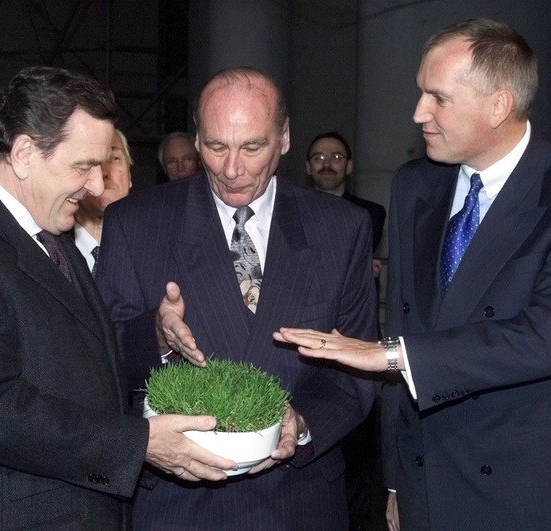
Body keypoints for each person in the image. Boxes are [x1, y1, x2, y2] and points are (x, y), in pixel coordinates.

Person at [274, 17, 551, 531]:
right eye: (420, 92)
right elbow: (405, 318)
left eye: (437, 97)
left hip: (522, 487)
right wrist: (397, 479)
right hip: (425, 474)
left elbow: (542, 334)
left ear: (499, 105)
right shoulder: (416, 184)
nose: (419, 112)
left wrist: (391, 355)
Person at [97, 65, 379, 530]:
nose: (232, 169)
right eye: (215, 146)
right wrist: (157, 335)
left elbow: (357, 371)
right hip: (179, 505)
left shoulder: (341, 229)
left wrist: (303, 423)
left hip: (300, 501)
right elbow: (101, 367)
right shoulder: (135, 224)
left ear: (284, 139)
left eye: (252, 147)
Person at [0, 65, 238, 530]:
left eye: (103, 165)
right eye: (83, 166)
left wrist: (154, 334)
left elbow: (85, 351)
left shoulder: (48, 231)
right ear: (25, 153)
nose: (96, 187)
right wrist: (138, 443)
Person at [307, 130, 387, 530]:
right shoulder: (290, 214)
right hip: (305, 339)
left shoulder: (370, 215)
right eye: (319, 157)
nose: (327, 163)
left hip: (355, 337)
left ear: (349, 166)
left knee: (355, 450)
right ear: (307, 166)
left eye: (336, 156)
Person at [74, 128, 133, 275]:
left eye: (114, 158)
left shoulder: (154, 249)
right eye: (92, 161)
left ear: (130, 175)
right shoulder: (50, 251)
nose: (104, 172)